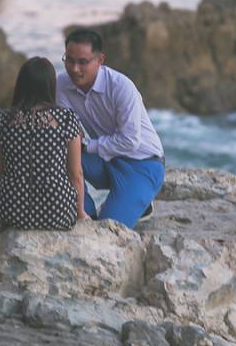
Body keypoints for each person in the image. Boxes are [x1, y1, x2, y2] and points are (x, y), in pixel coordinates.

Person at [56, 28, 164, 229]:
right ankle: (84, 211)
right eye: (69, 60)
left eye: (83, 62)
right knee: (57, 152)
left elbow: (130, 141)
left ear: (100, 60)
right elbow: (65, 131)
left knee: (107, 228)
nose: (74, 69)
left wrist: (86, 145)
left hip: (143, 163)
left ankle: (140, 200)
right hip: (106, 158)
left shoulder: (121, 87)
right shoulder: (62, 84)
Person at [0, 57, 88, 233]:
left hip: (11, 210)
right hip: (57, 212)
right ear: (51, 86)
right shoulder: (66, 119)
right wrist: (80, 213)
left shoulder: (1, 119)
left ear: (21, 84)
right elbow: (76, 173)